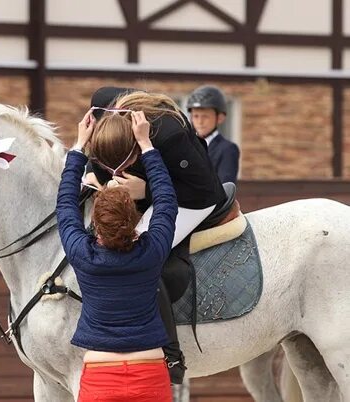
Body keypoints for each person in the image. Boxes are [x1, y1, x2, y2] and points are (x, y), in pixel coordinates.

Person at [84, 87, 232, 383]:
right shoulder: (105, 119)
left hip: (192, 199)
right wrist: (92, 177)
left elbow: (201, 189)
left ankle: (171, 353)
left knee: (139, 255)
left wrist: (146, 190)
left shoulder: (168, 134)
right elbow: (98, 164)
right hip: (145, 195)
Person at [57, 108, 177, 402]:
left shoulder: (82, 254)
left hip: (100, 378)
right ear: (135, 218)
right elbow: (166, 199)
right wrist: (146, 144)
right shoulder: (152, 251)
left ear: (95, 222)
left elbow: (65, 204)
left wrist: (79, 147)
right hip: (150, 372)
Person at [187, 85, 240, 184]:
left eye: (205, 116)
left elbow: (225, 186)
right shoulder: (187, 146)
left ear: (220, 118)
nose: (200, 122)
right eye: (196, 116)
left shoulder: (227, 149)